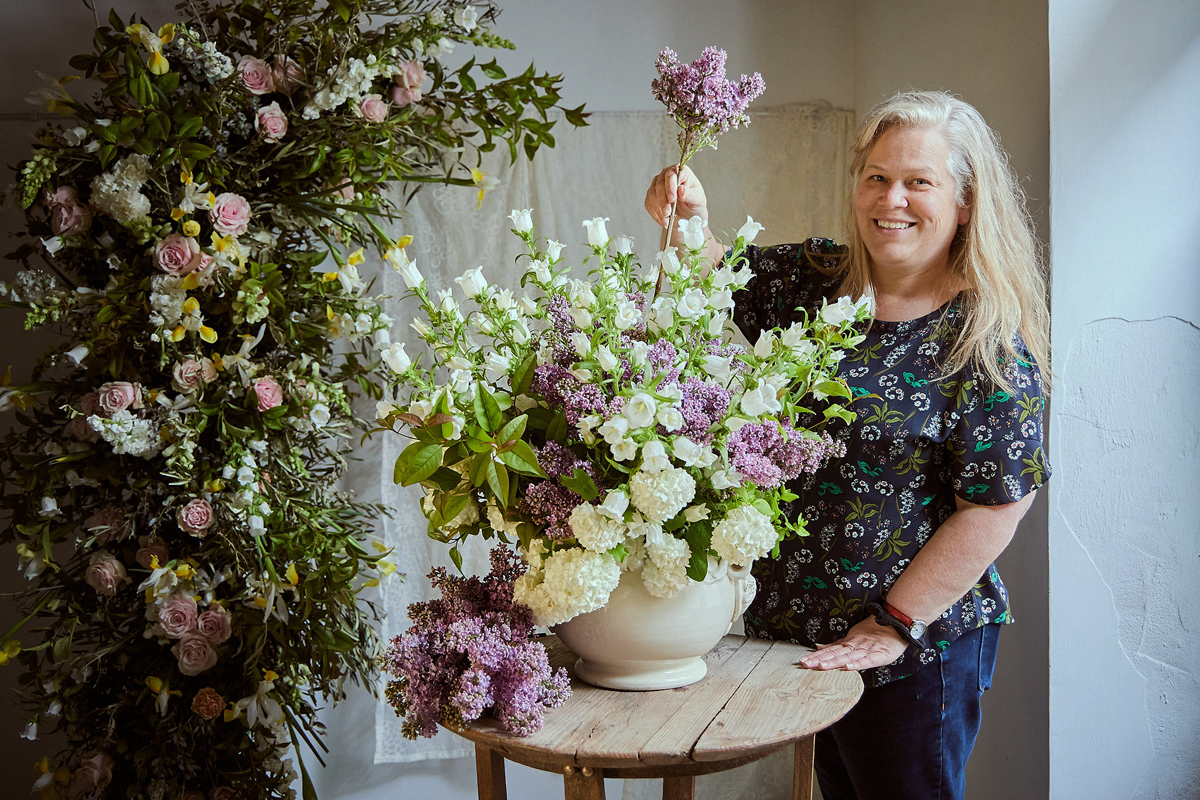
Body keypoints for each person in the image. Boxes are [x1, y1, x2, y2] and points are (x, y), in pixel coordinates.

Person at [644, 90, 1051, 800]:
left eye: (919, 181)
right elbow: (716, 271)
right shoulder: (818, 280)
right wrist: (688, 221)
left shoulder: (982, 346)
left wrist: (893, 623)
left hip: (912, 648)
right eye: (877, 177)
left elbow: (993, 508)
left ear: (963, 202)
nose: (892, 198)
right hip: (807, 641)